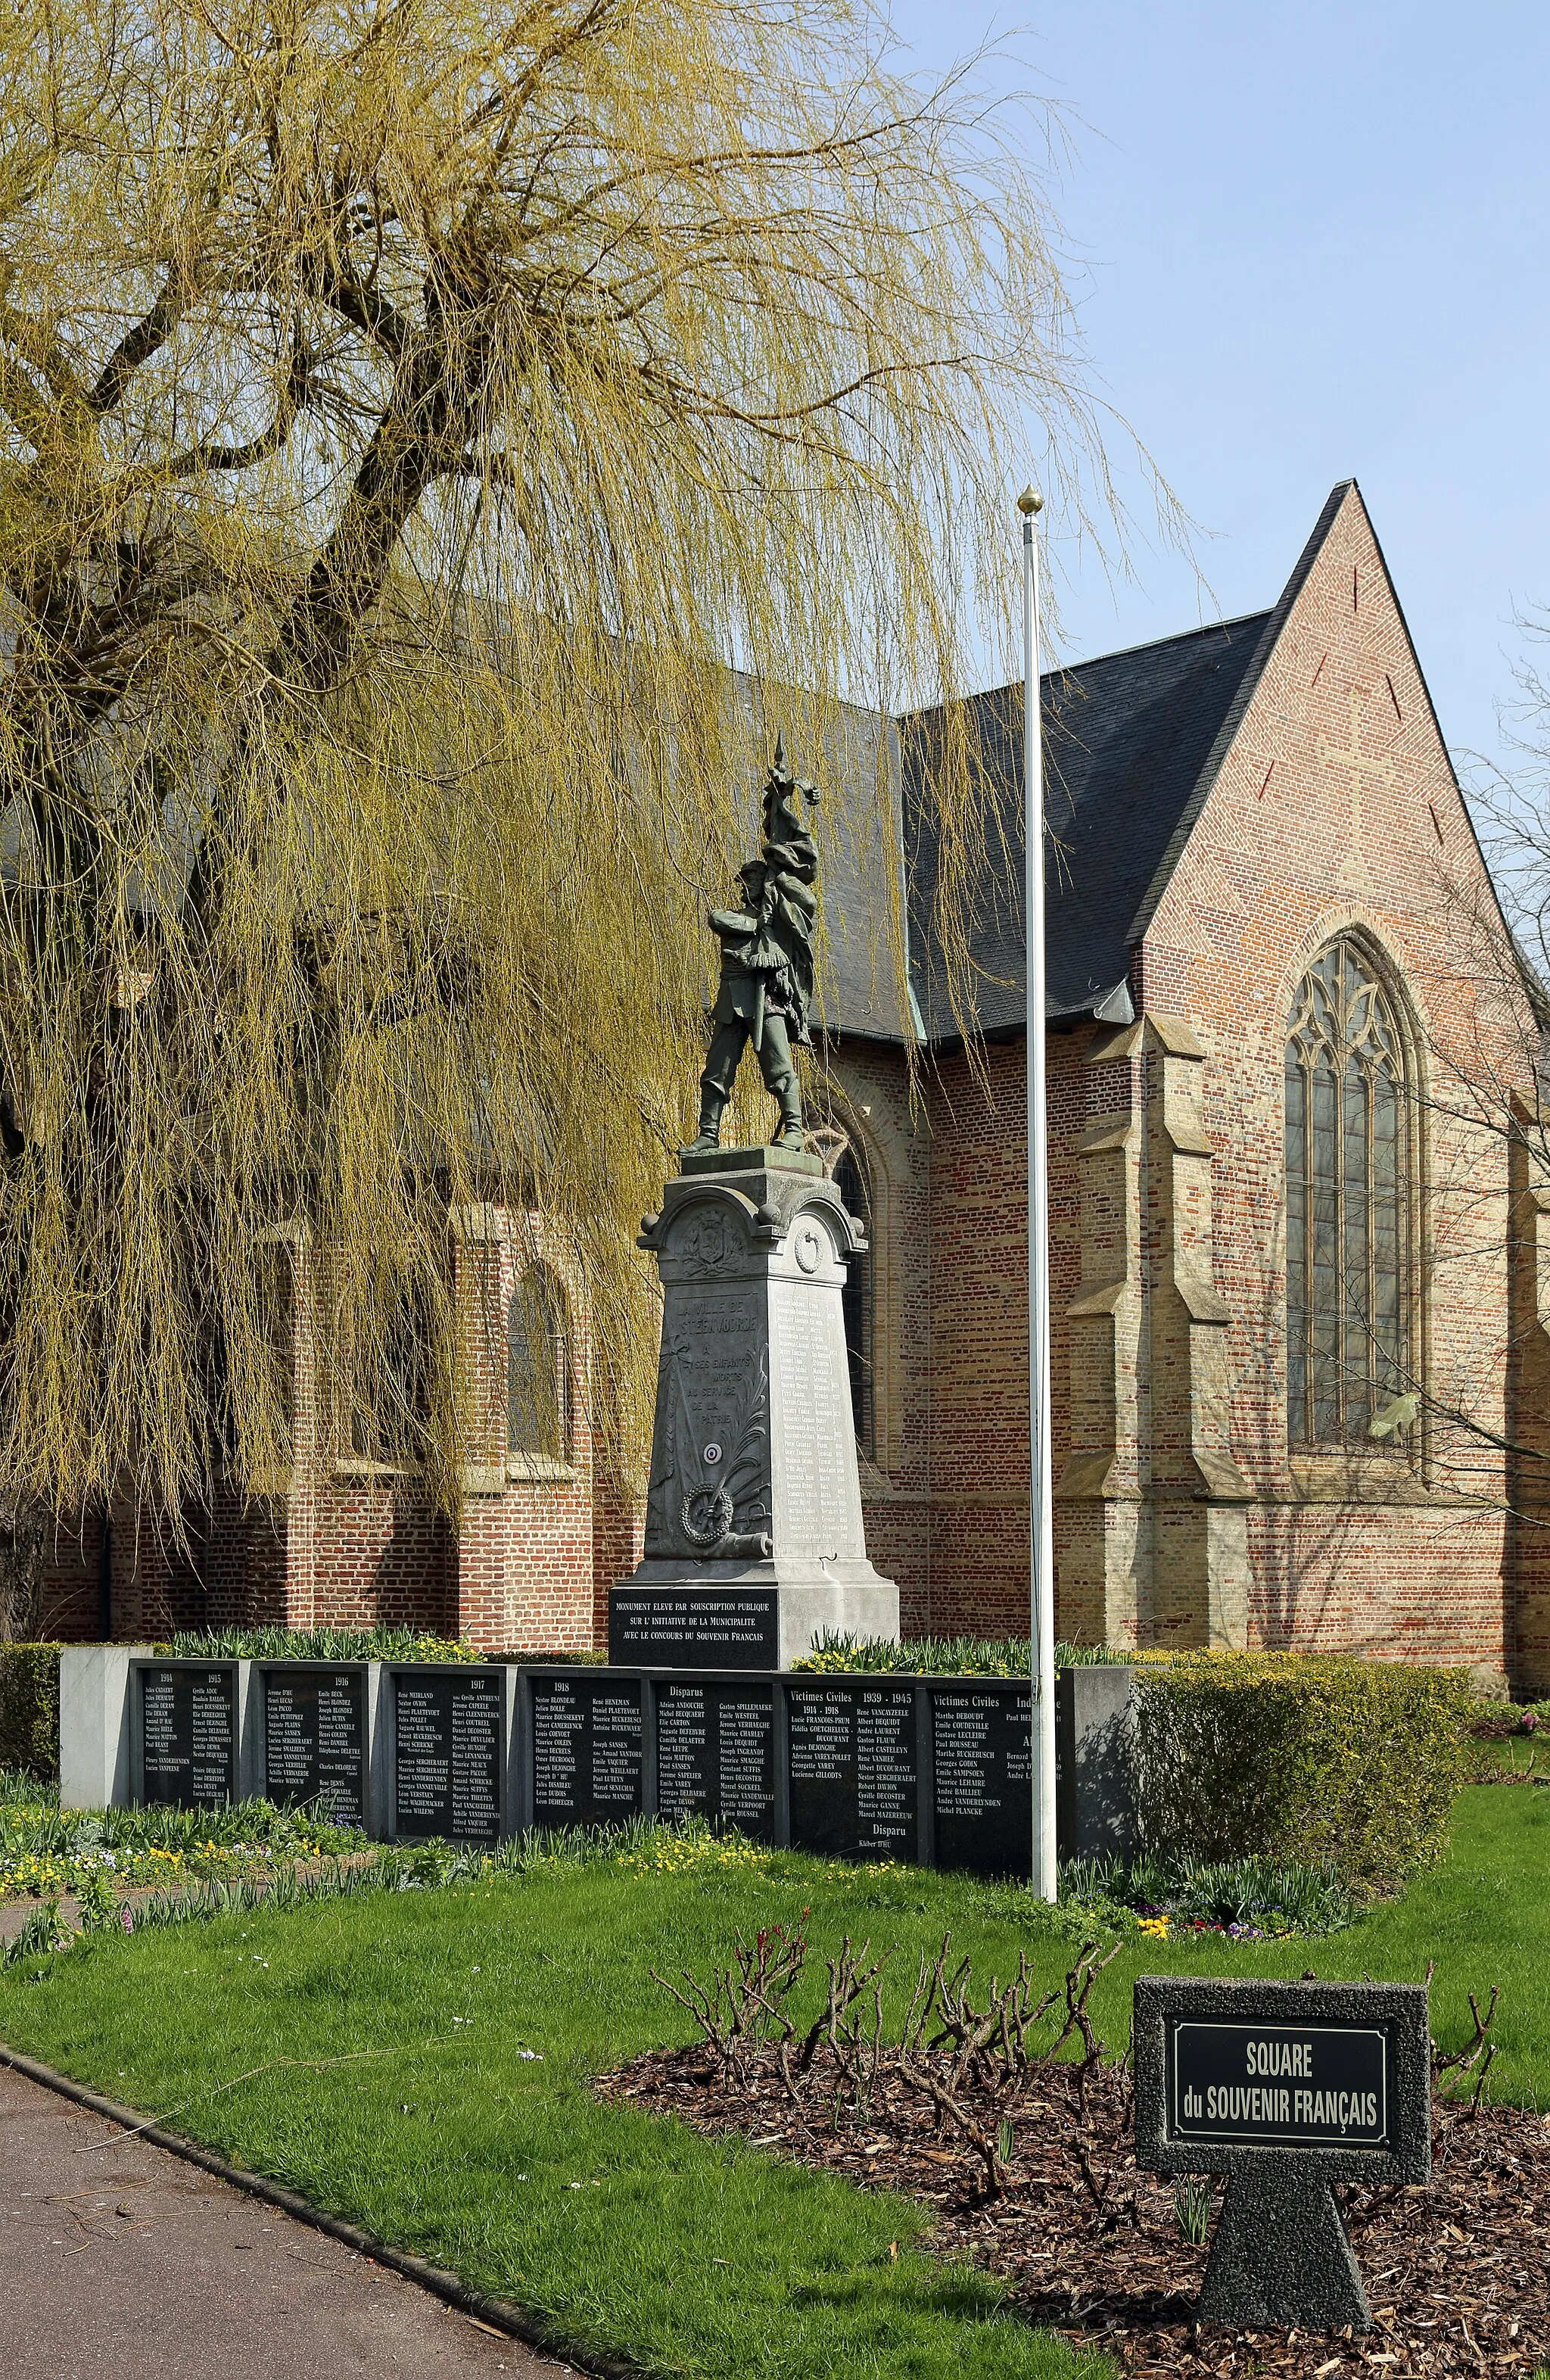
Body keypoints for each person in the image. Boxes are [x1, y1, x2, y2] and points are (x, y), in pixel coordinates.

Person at [685, 739, 819, 1154]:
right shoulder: (740, 917)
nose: (747, 884)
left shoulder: (779, 909)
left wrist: (782, 801)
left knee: (778, 1067)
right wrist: (753, 923)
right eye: (745, 879)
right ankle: (708, 1134)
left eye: (753, 878)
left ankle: (795, 1129)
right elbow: (718, 919)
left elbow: (806, 900)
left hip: (767, 997)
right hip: (733, 996)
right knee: (716, 1071)